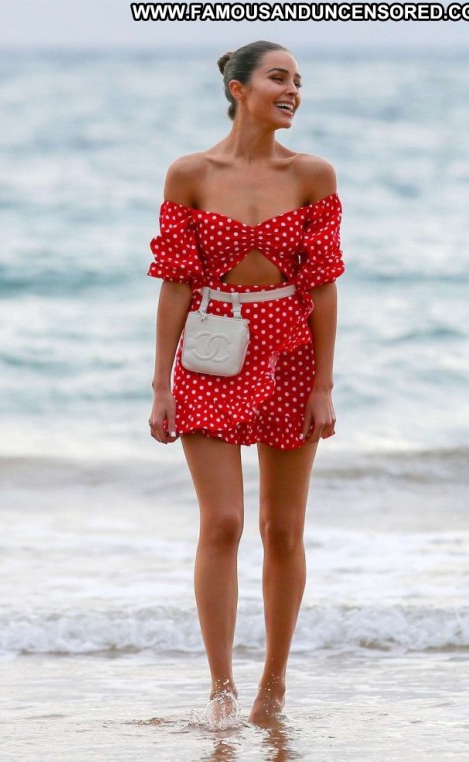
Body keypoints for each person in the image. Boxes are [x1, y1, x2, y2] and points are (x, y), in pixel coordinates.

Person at [147, 40, 345, 727]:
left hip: (292, 355)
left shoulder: (313, 175)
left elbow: (323, 287)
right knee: (224, 522)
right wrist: (161, 385)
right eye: (278, 78)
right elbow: (175, 283)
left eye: (298, 81)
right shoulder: (190, 174)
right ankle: (221, 688)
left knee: (282, 530)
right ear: (238, 88)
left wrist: (323, 385)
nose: (293, 91)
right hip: (210, 354)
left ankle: (274, 687)